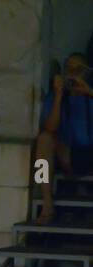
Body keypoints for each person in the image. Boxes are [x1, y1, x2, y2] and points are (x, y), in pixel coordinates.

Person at [35, 53, 93, 223]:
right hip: (67, 155)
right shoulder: (55, 97)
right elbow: (50, 128)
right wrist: (59, 96)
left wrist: (89, 92)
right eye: (69, 69)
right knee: (44, 140)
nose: (73, 74)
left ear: (87, 73)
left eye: (78, 70)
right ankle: (46, 202)